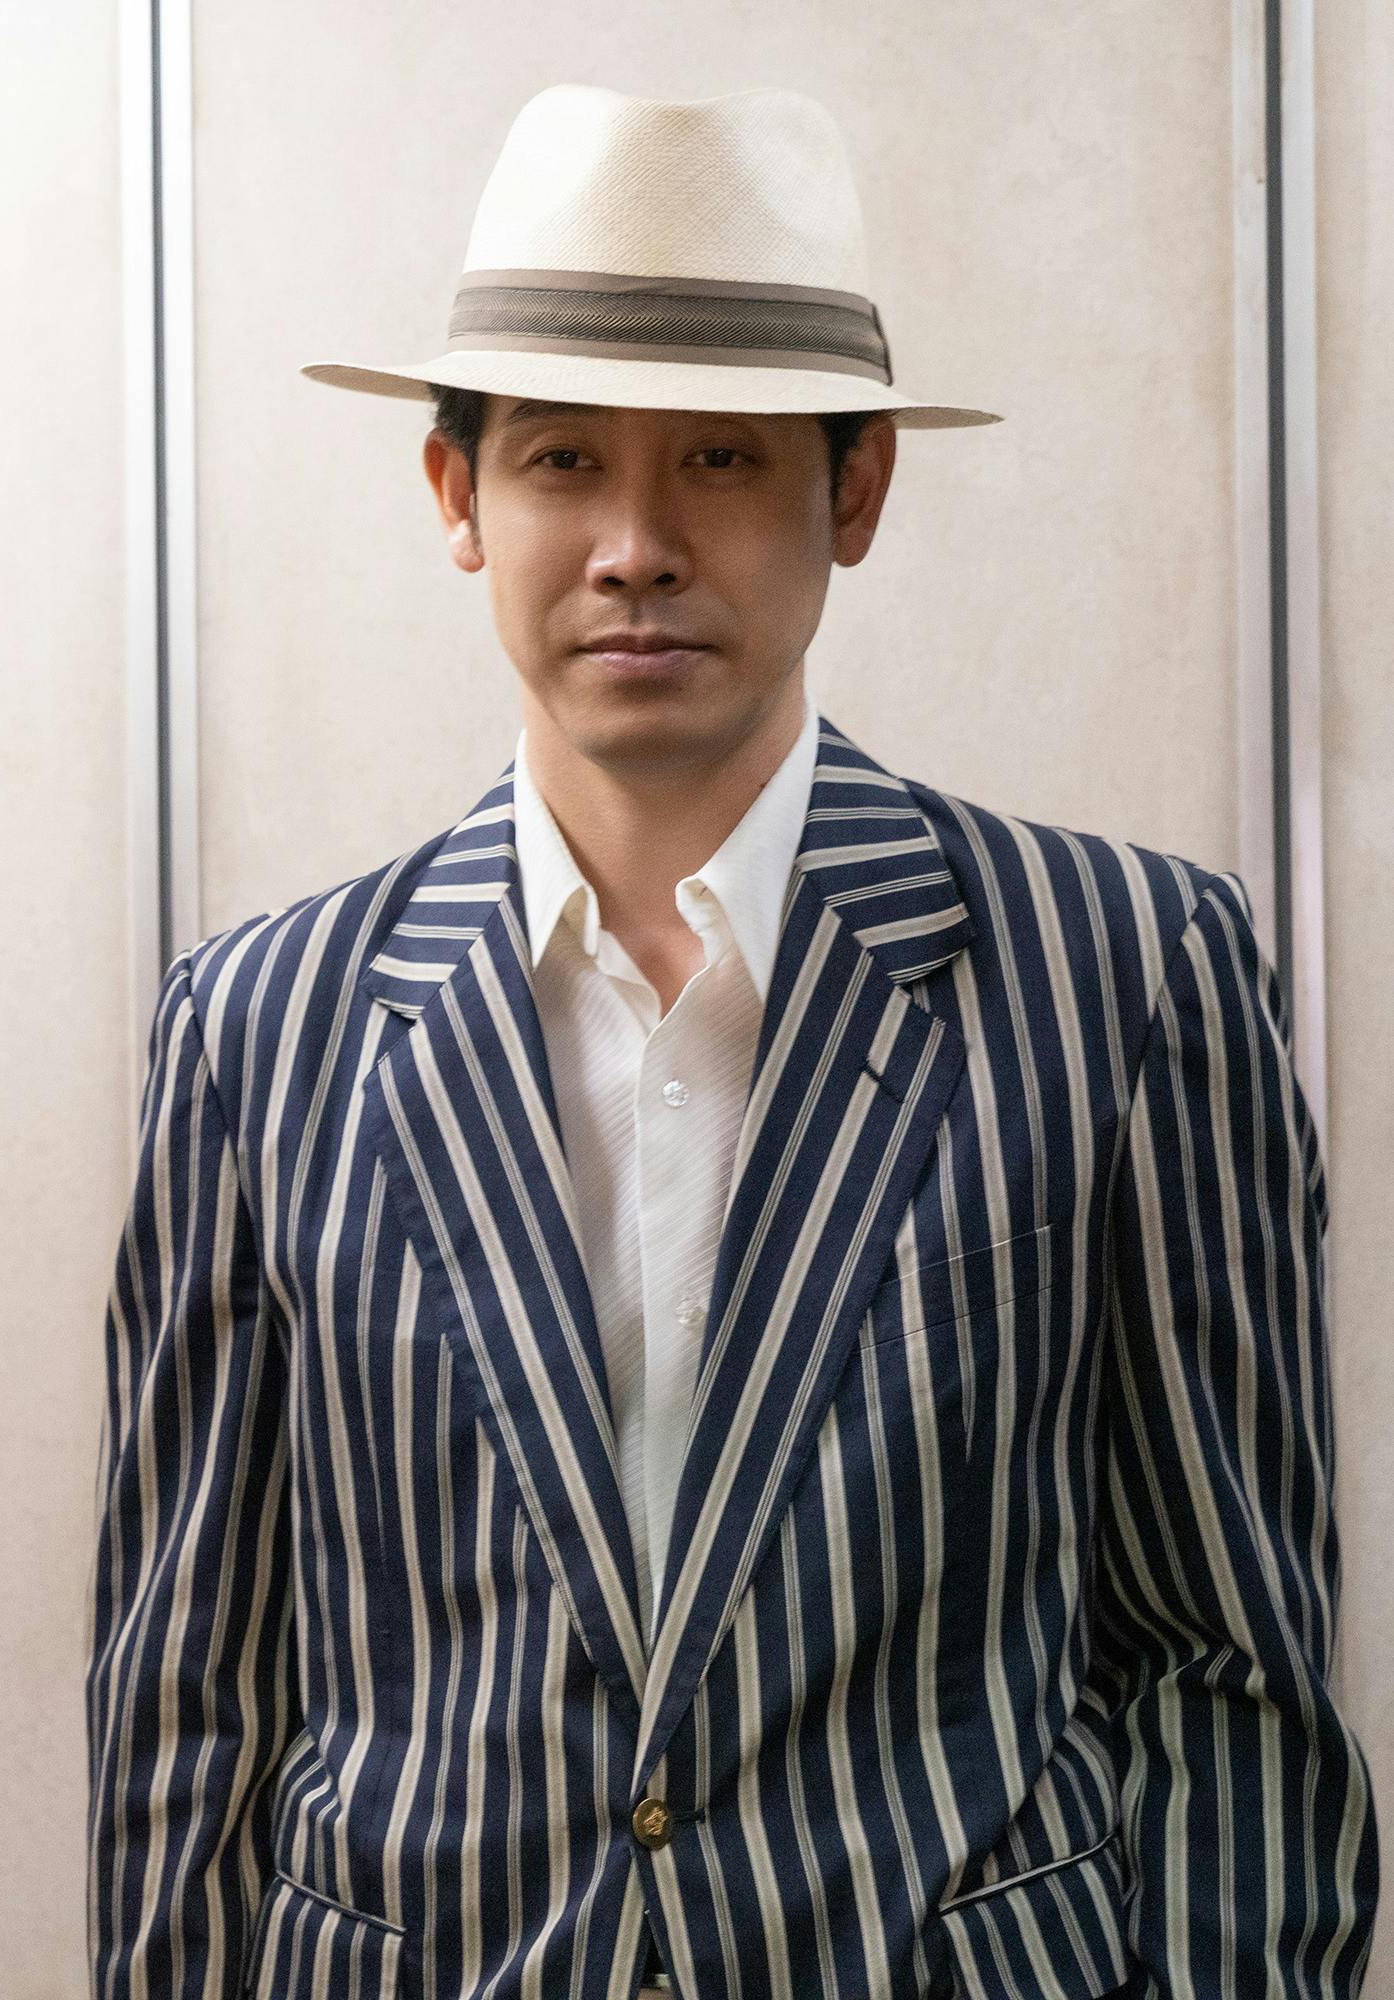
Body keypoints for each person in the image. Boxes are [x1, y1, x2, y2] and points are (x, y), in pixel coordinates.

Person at [88, 85, 1375, 1999]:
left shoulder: (1127, 971)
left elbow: (1229, 1665)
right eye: (554, 462)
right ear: (453, 499)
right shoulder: (260, 1025)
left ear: (850, 496)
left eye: (715, 457)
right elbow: (191, 1693)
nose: (631, 544)